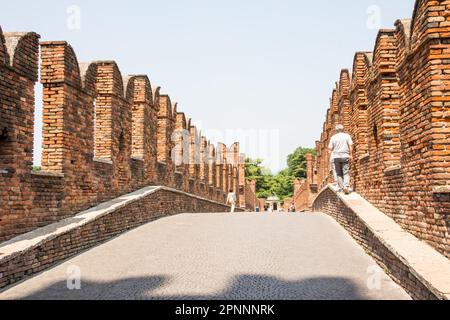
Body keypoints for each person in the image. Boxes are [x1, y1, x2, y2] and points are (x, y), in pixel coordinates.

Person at [328, 124, 354, 194]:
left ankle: (342, 187)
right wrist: (351, 155)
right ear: (343, 129)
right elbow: (350, 145)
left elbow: (329, 149)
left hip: (336, 157)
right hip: (345, 156)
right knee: (346, 172)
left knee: (339, 173)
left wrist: (331, 157)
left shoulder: (333, 137)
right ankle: (346, 186)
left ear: (336, 130)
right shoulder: (347, 136)